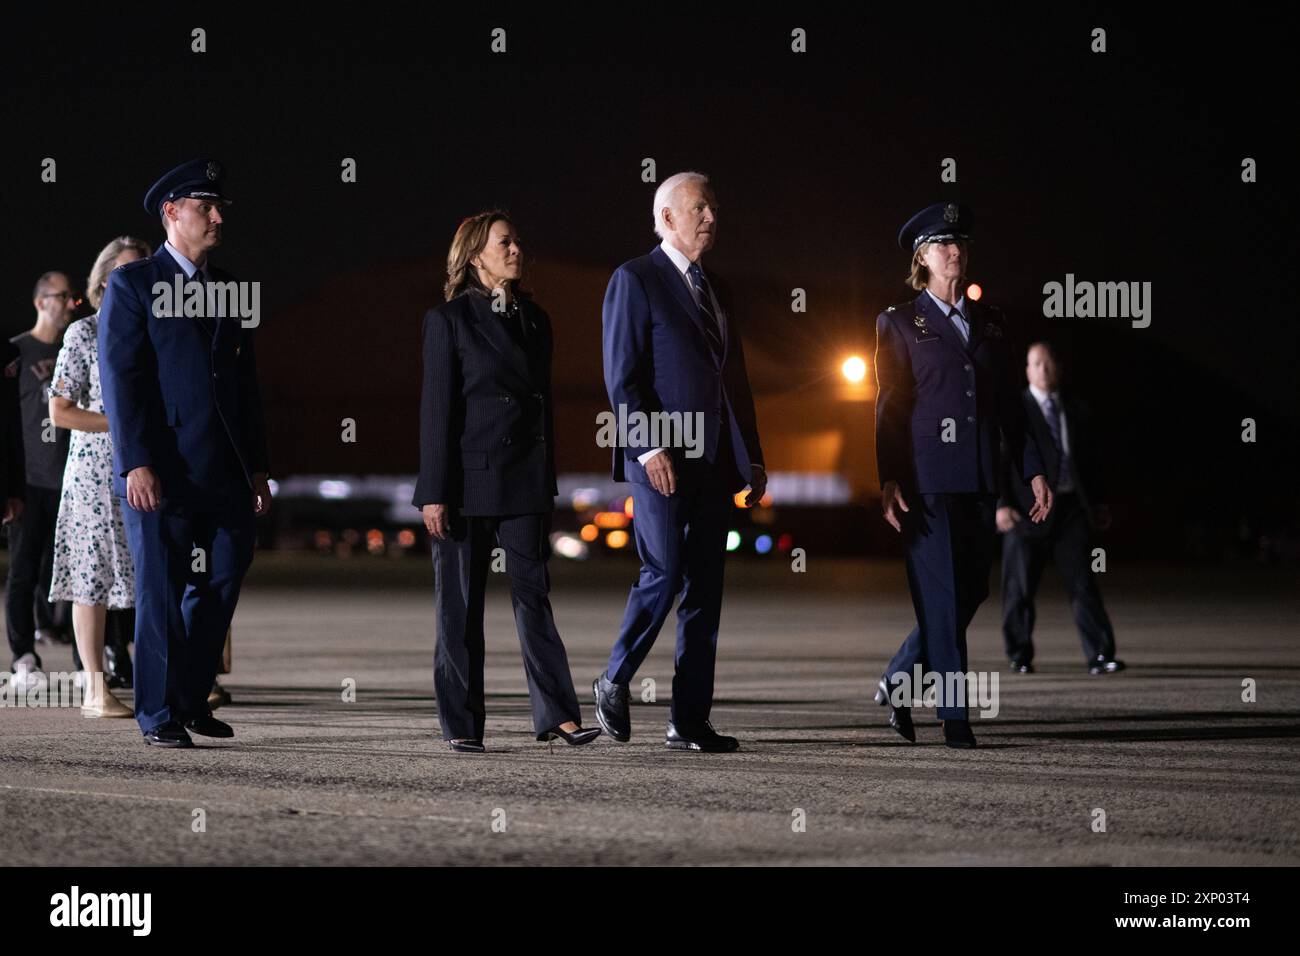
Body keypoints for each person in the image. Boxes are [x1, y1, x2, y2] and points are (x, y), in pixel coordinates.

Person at [99, 158, 271, 748]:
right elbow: (123, 381)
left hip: (224, 471)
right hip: (162, 472)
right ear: (172, 213)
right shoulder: (133, 284)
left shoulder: (229, 288)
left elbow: (245, 387)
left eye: (220, 208)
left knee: (221, 582)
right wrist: (134, 462)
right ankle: (157, 713)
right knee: (161, 592)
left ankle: (192, 698)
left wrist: (259, 467)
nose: (218, 217)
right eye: (206, 207)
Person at [414, 211, 600, 754]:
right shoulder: (448, 320)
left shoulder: (537, 319)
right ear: (475, 255)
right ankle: (463, 724)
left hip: (524, 484)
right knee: (460, 610)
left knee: (534, 600)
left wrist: (547, 478)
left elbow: (541, 408)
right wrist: (434, 492)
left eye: (519, 239)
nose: (516, 248)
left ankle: (559, 716)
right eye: (504, 242)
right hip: (467, 485)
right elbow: (436, 413)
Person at [592, 171, 766, 752]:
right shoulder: (634, 280)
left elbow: (733, 383)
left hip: (713, 462)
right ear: (667, 217)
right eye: (700, 208)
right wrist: (647, 445)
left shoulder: (719, 289)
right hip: (660, 455)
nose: (712, 217)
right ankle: (614, 679)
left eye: (715, 207)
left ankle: (689, 719)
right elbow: (624, 375)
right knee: (664, 571)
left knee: (704, 593)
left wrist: (753, 460)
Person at [873, 202, 1052, 749]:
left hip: (979, 478)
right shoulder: (900, 322)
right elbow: (890, 407)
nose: (957, 251)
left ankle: (899, 680)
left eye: (962, 244)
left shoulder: (991, 322)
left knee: (969, 592)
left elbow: (1011, 409)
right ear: (922, 258)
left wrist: (1033, 469)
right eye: (944, 244)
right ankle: (955, 718)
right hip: (926, 482)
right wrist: (889, 477)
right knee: (945, 595)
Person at [48, 237, 152, 718]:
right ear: (106, 280)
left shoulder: (154, 334)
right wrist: (122, 424)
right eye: (130, 272)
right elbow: (61, 411)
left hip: (146, 468)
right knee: (92, 578)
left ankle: (174, 675)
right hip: (93, 473)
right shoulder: (83, 334)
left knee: (151, 572)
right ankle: (94, 686)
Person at [998, 342, 1123, 675]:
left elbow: (1092, 462)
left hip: (1069, 510)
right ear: (1027, 370)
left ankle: (1099, 653)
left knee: (1083, 581)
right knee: (1019, 586)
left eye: (1049, 362)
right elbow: (1001, 460)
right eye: (1036, 363)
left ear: (1059, 367)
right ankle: (1019, 653)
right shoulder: (1016, 410)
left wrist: (1097, 504)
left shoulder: (1077, 409)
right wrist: (1002, 505)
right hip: (1027, 511)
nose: (1043, 369)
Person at [6, 272, 75, 690]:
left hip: (71, 480)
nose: (70, 303)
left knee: (74, 571)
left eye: (73, 297)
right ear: (40, 301)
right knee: (24, 571)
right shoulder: (17, 351)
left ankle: (89, 654)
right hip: (30, 481)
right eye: (62, 296)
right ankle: (23, 658)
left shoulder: (78, 346)